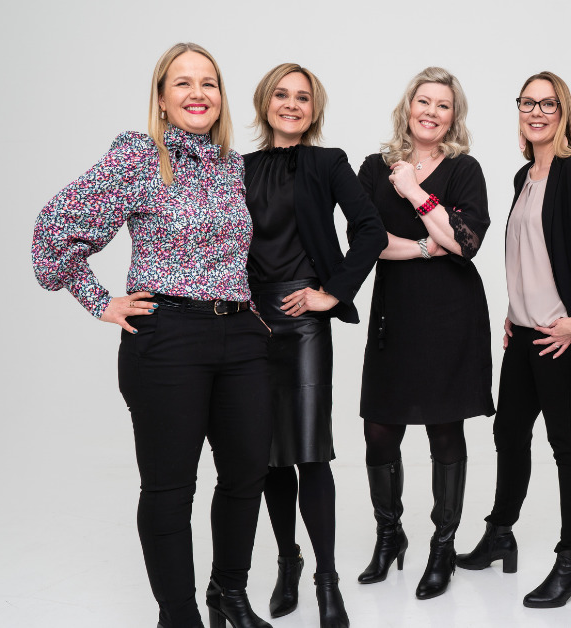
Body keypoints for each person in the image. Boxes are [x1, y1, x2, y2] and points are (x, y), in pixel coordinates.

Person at [32, 43, 273, 628]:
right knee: (171, 487)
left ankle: (228, 594)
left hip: (240, 335)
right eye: (183, 83)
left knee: (247, 474)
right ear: (162, 99)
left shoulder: (231, 165)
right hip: (169, 339)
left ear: (221, 97)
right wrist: (98, 299)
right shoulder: (140, 157)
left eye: (209, 83)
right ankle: (179, 615)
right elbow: (52, 232)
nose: (198, 93)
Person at [456, 71, 571, 609]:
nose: (537, 112)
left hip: (560, 335)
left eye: (549, 104)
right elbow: (527, 254)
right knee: (508, 432)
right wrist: (512, 310)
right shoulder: (524, 176)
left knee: (568, 447)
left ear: (563, 112)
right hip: (524, 332)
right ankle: (501, 533)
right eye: (528, 103)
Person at [243, 63, 384, 628]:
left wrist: (333, 292)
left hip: (303, 321)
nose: (291, 104)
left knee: (309, 452)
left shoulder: (328, 163)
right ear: (265, 102)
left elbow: (371, 229)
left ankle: (328, 579)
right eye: (282, 95)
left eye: (303, 97)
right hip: (250, 320)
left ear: (314, 109)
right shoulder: (236, 167)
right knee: (267, 455)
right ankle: (288, 561)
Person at [353, 66, 495, 600]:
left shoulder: (464, 169)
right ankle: (389, 535)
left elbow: (467, 243)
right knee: (379, 429)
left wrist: (414, 192)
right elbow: (366, 241)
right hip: (394, 314)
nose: (431, 112)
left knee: (444, 430)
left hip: (450, 316)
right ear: (407, 107)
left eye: (443, 105)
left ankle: (442, 547)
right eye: (424, 101)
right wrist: (425, 245)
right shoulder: (375, 168)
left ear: (453, 116)